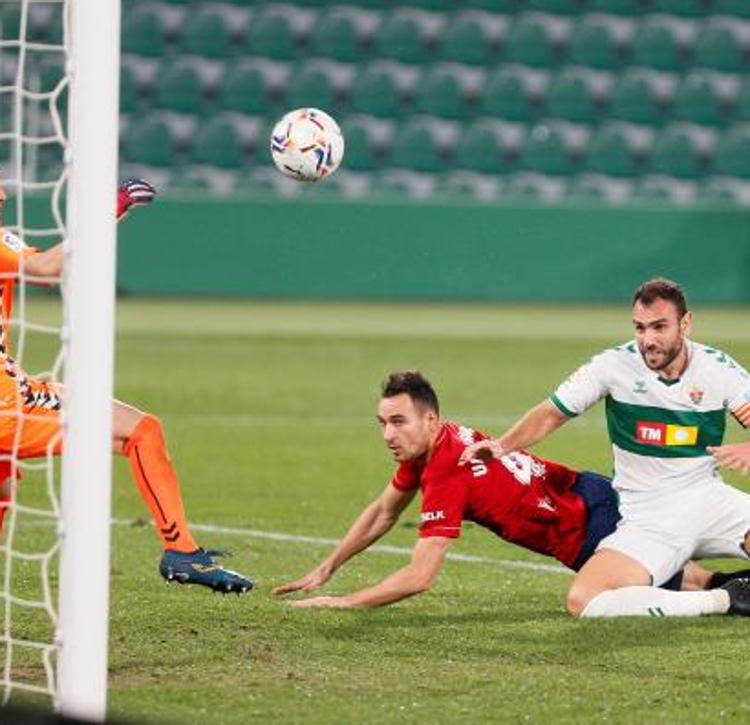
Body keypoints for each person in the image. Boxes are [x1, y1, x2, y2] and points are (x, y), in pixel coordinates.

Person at [273, 370, 748, 609]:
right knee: (695, 576)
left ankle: (731, 597)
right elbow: (383, 512)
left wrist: (344, 601)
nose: (388, 435)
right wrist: (327, 568)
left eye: (398, 422)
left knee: (613, 601)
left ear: (430, 420)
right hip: (590, 495)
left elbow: (420, 577)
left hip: (588, 526)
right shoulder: (442, 443)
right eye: (382, 423)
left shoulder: (444, 472)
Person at [0, 177, 252, 594]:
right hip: (7, 406)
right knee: (141, 430)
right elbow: (48, 269)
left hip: (13, 391)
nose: (5, 195)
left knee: (5, 482)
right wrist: (111, 208)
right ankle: (182, 552)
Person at [460, 278, 750, 617]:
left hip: (709, 501)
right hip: (649, 517)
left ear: (685, 323)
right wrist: (501, 446)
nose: (648, 340)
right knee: (584, 599)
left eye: (659, 327)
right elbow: (551, 413)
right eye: (640, 328)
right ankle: (726, 598)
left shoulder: (718, 369)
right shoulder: (613, 366)